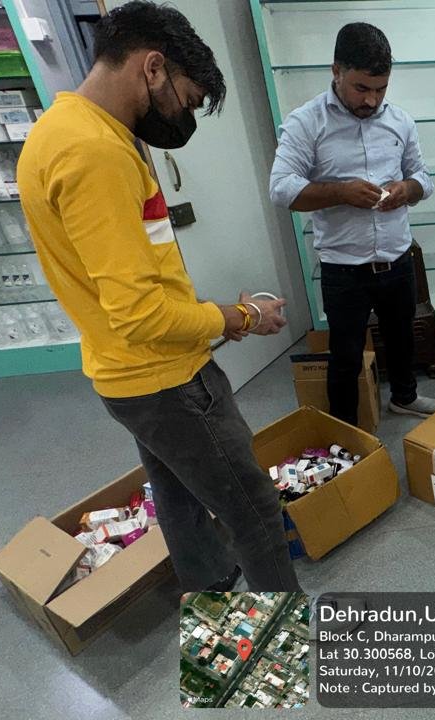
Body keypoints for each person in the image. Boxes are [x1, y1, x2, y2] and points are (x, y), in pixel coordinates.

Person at [17, 1, 300, 592]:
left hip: (126, 375)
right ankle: (284, 629)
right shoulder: (94, 153)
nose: (185, 118)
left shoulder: (59, 130)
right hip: (166, 380)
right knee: (252, 508)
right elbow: (141, 313)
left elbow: (128, 285)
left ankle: (212, 595)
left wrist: (217, 318)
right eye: (188, 101)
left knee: (180, 496)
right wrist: (241, 315)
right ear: (152, 68)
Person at [269, 22, 435, 425]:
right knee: (345, 354)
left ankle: (404, 397)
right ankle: (344, 430)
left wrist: (406, 189)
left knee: (401, 336)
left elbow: (424, 178)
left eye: (381, 89)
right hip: (344, 268)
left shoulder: (400, 121)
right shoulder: (306, 122)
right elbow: (280, 188)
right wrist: (341, 192)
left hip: (397, 258)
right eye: (361, 88)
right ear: (337, 71)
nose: (372, 100)